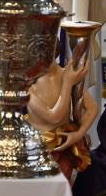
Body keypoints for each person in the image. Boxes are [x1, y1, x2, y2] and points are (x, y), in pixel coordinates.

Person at [27, 51, 93, 183]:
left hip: (64, 145)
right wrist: (67, 83)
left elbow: (92, 108)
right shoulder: (27, 83)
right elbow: (54, 117)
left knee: (62, 187)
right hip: (38, 148)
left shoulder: (66, 74)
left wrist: (79, 134)